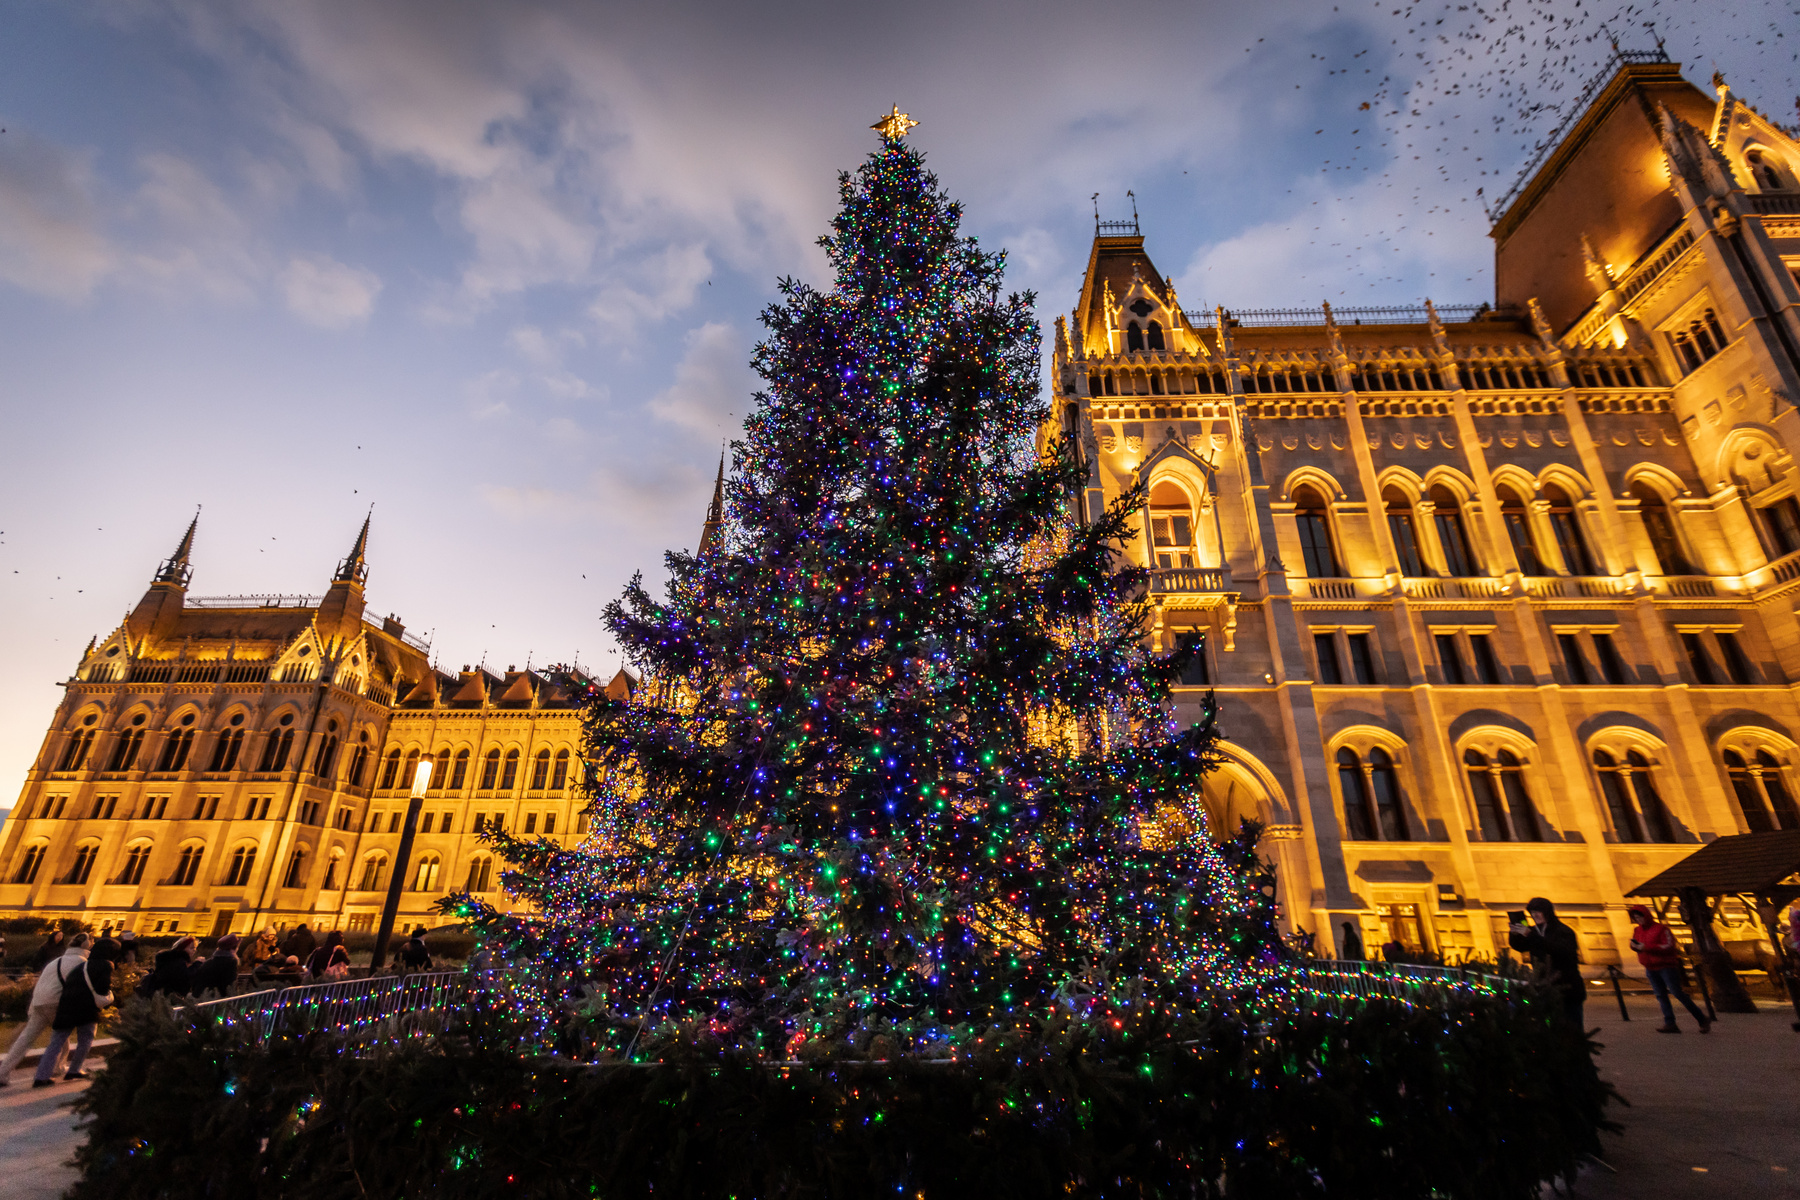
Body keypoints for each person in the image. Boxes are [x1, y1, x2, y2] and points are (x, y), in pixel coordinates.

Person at [1, 933, 93, 1086]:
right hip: (56, 1003)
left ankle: (3, 1072)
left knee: (25, 1040)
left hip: (38, 1002)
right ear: (86, 945)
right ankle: (55, 1068)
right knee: (60, 1037)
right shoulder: (81, 962)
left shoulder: (56, 961)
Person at [36, 937, 116, 1086]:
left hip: (66, 1007)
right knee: (85, 1039)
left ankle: (41, 1076)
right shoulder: (106, 965)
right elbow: (103, 988)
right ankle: (74, 1070)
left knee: (56, 1042)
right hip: (86, 1009)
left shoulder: (81, 967)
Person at [1626, 904, 1709, 1033]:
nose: (1638, 920)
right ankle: (1670, 1023)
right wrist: (1634, 946)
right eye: (1635, 918)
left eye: (1639, 917)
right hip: (1650, 966)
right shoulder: (1638, 930)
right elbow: (1638, 944)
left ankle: (1701, 1018)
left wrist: (1646, 947)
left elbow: (1669, 946)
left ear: (1646, 916)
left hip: (1666, 966)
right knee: (1660, 995)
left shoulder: (1661, 929)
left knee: (1677, 992)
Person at [1510, 897, 1588, 1029]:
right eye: (1533, 912)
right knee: (1550, 1027)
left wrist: (1530, 935)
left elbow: (1560, 951)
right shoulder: (1534, 930)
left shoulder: (1563, 930)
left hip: (1567, 987)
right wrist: (1514, 934)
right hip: (1544, 986)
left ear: (1547, 912)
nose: (1535, 915)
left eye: (1539, 911)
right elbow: (1520, 946)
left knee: (1572, 1027)